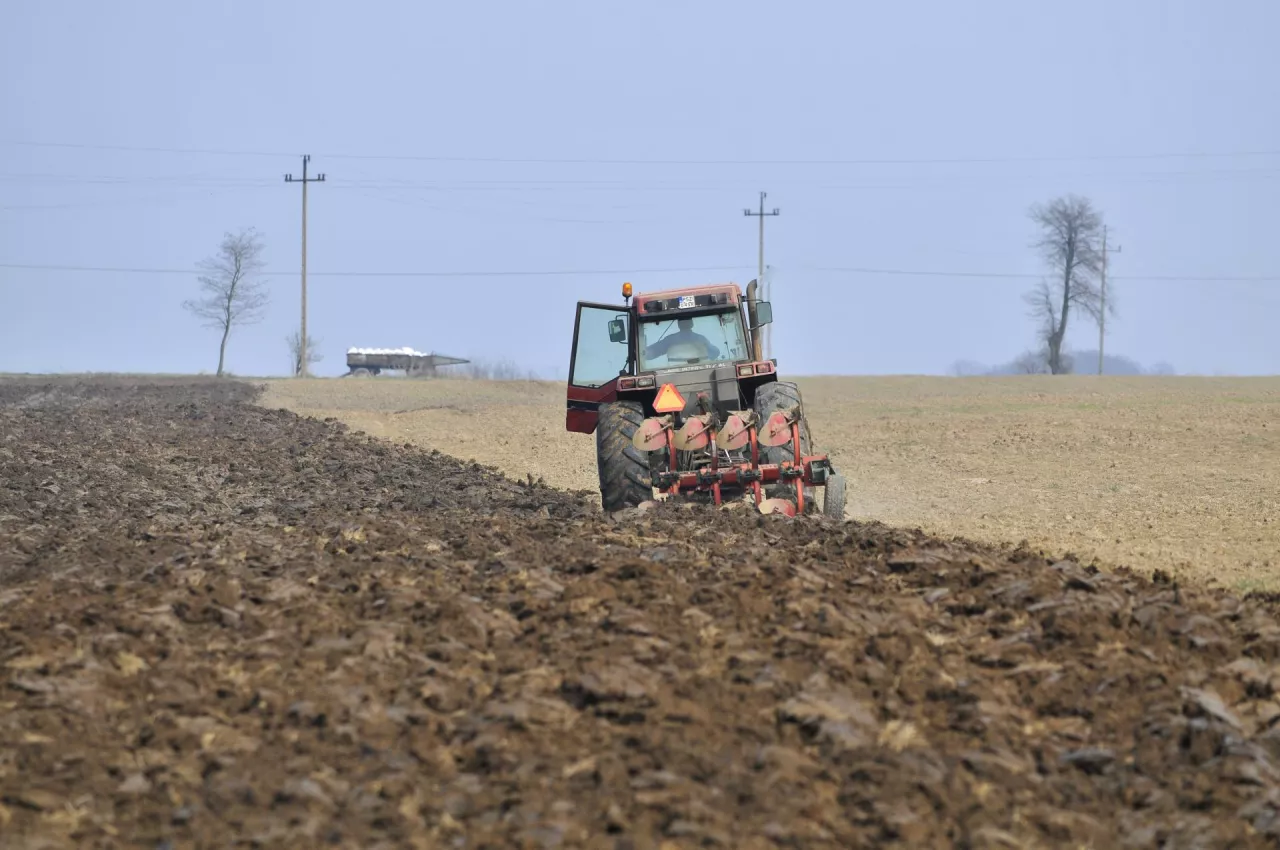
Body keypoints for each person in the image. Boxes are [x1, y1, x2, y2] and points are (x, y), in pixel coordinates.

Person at [644, 317, 720, 361]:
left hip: (674, 376)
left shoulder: (670, 340)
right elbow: (715, 353)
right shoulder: (701, 339)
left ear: (679, 324)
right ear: (692, 324)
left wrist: (642, 351)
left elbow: (650, 354)